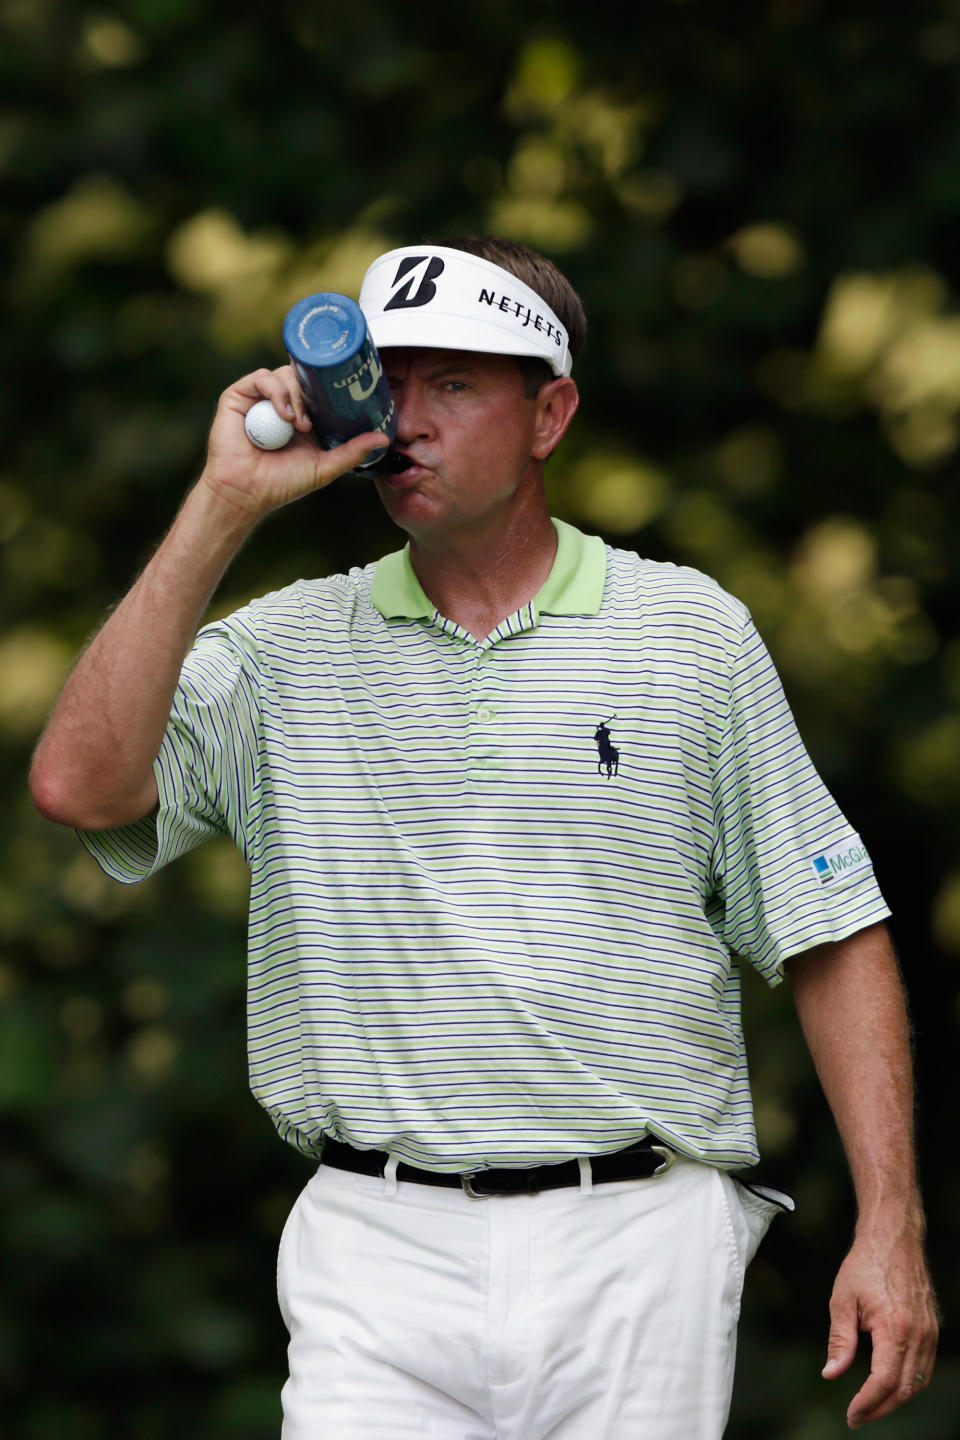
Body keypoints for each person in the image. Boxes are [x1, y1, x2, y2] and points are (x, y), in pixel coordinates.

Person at [30, 235, 938, 1439]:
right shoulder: (283, 651)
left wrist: (891, 1225)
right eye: (388, 382)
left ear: (549, 414)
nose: (409, 417)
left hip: (635, 1243)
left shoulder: (689, 637)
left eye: (455, 385)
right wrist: (220, 508)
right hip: (373, 1246)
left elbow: (831, 932)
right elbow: (81, 787)